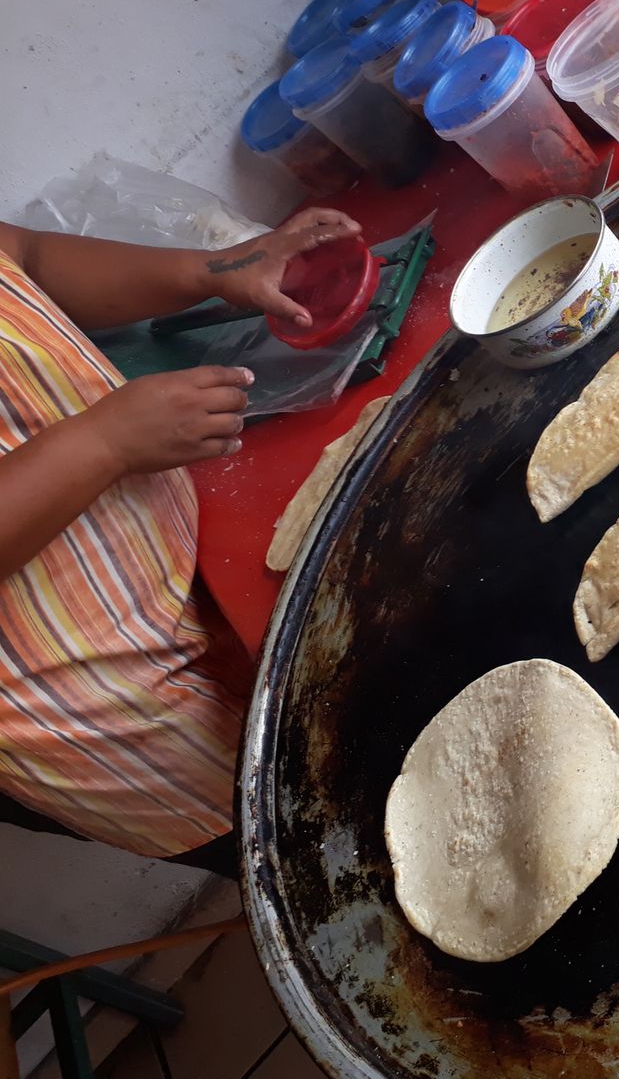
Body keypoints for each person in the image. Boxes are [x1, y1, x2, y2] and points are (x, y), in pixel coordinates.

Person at [0, 208, 359, 874]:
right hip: (125, 704)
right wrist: (101, 442)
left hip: (198, 556)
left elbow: (24, 256)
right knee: (340, 849)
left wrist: (211, 271)